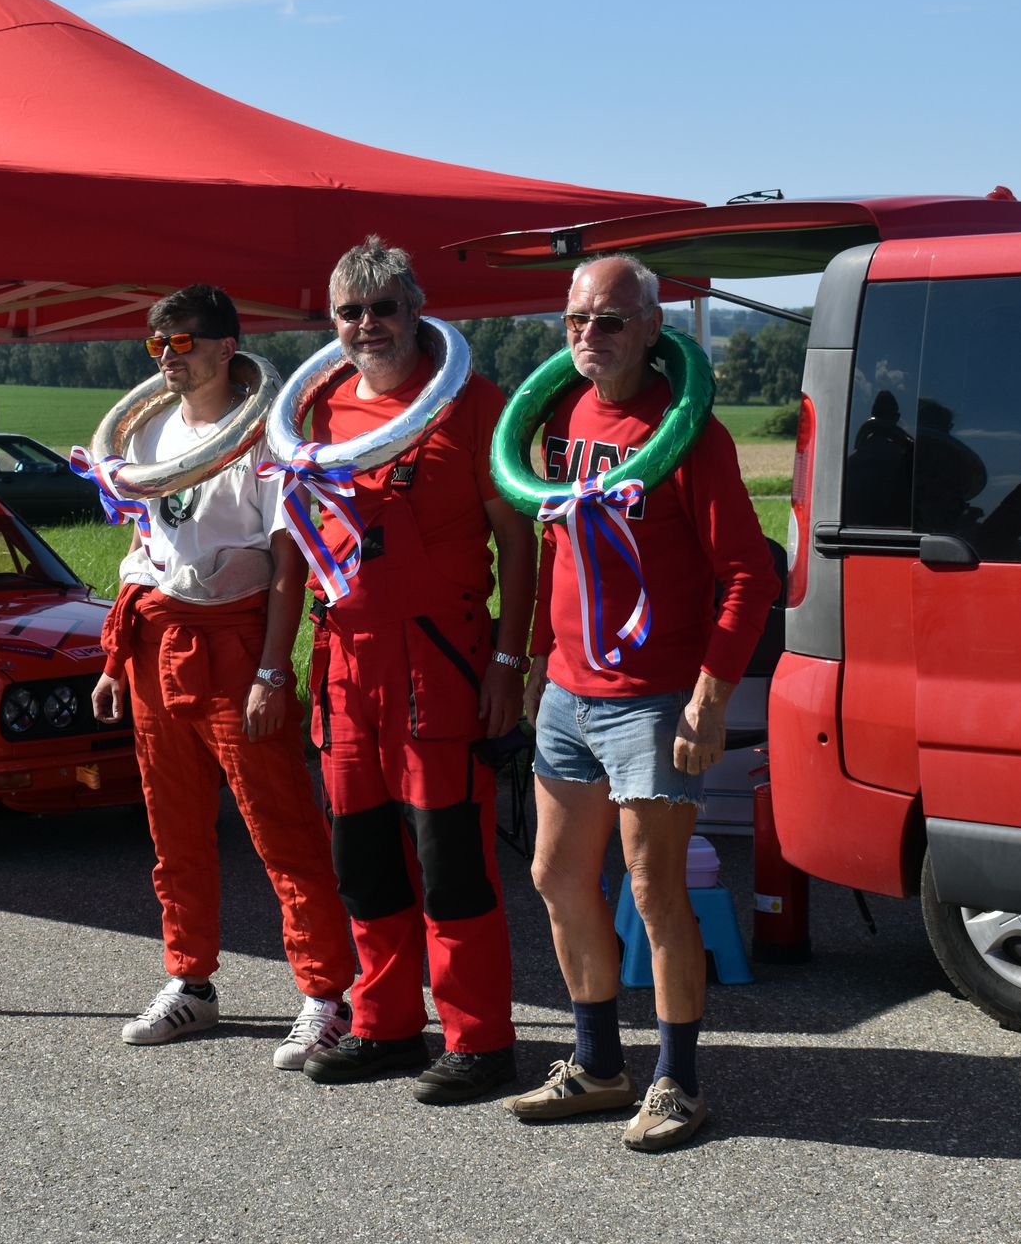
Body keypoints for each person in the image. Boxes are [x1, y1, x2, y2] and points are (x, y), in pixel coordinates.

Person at [502, 254, 776, 1151]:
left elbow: (749, 575)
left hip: (655, 700)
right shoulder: (561, 416)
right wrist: (538, 658)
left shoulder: (690, 433)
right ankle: (597, 1065)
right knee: (555, 877)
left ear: (653, 328)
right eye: (577, 320)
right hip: (568, 691)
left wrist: (709, 696)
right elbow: (561, 549)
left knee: (655, 891)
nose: (591, 336)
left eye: (612, 321)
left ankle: (678, 1082)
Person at [91, 284, 356, 1070]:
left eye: (182, 341)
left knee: (281, 828)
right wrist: (116, 658)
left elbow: (287, 560)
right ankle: (191, 983)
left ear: (225, 347)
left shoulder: (265, 434)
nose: (167, 357)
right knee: (173, 831)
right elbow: (143, 543)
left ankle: (326, 995)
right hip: (158, 642)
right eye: (157, 344)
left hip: (236, 646)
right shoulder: (148, 430)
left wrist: (273, 669)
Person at [296, 236, 535, 1105]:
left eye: (384, 308)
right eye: (350, 312)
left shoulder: (473, 403)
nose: (368, 325)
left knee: (451, 861)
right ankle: (386, 1023)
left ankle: (480, 1040)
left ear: (416, 311)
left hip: (439, 662)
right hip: (346, 665)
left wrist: (509, 661)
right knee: (363, 860)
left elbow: (519, 541)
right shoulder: (316, 408)